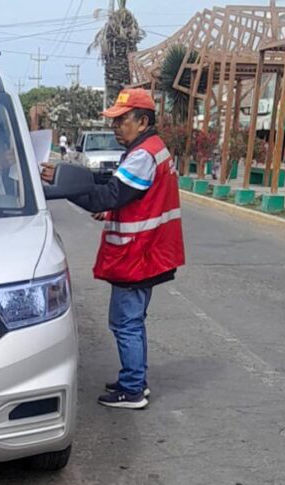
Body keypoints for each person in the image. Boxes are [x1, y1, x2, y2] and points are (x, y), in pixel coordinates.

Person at [40, 89, 185, 409]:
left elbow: (107, 196)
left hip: (138, 253)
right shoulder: (151, 149)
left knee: (125, 323)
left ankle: (132, 390)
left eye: (122, 121)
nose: (116, 127)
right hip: (148, 251)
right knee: (133, 321)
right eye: (114, 121)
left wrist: (64, 187)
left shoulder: (143, 155)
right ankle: (135, 380)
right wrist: (73, 178)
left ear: (143, 121)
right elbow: (124, 190)